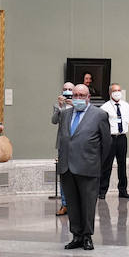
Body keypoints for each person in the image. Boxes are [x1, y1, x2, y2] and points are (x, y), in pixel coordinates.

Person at [56, 85, 110, 250]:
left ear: (88, 97)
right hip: (67, 167)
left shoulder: (100, 115)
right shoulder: (65, 114)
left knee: (87, 204)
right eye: (76, 95)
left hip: (88, 167)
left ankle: (87, 236)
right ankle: (76, 235)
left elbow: (106, 144)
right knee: (72, 204)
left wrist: (97, 163)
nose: (78, 98)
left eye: (82, 95)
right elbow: (62, 137)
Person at [98, 82, 129, 201]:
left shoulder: (126, 106)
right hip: (110, 139)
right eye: (114, 91)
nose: (117, 93)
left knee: (122, 165)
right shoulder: (104, 107)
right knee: (107, 165)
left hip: (122, 138)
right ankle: (102, 191)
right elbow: (102, 125)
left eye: (119, 90)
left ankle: (123, 191)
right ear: (110, 93)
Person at [50, 81, 74, 216]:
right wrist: (60, 106)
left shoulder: (78, 104)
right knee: (64, 175)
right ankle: (64, 204)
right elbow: (54, 121)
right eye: (65, 89)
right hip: (62, 145)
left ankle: (75, 204)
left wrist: (73, 104)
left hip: (77, 144)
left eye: (70, 89)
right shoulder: (58, 105)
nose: (68, 91)